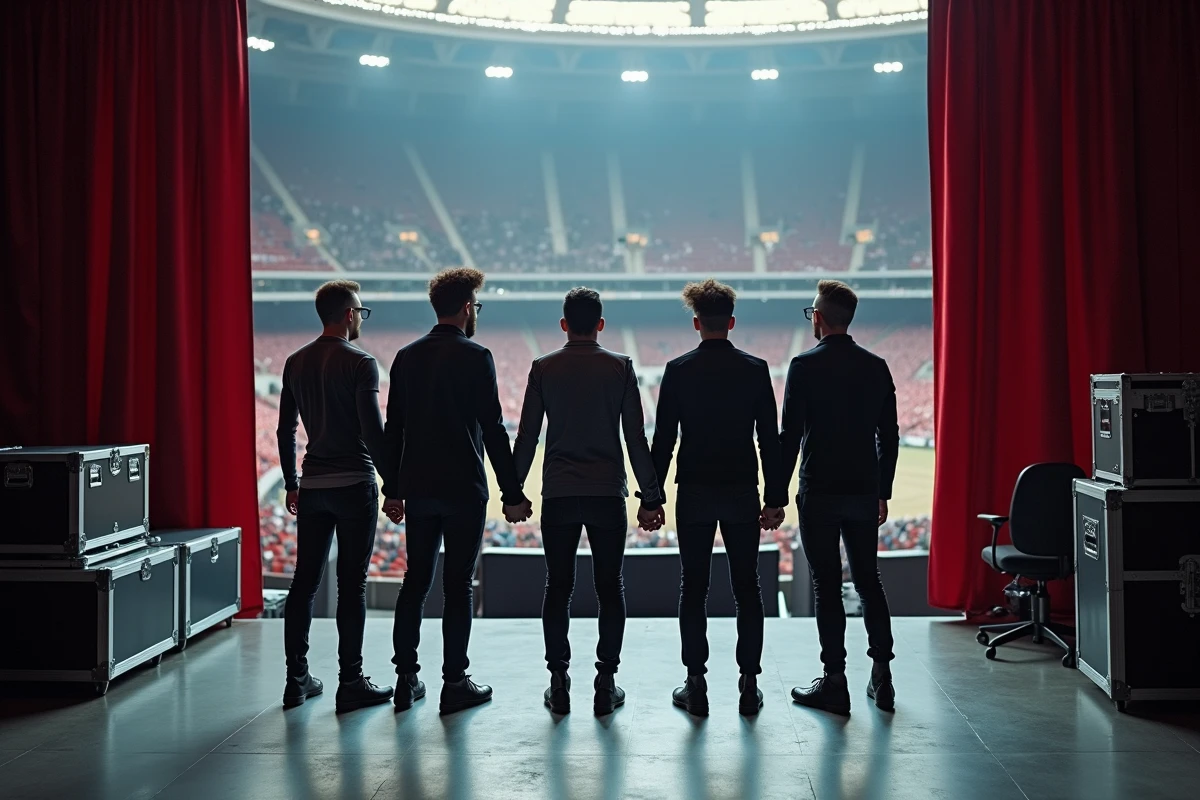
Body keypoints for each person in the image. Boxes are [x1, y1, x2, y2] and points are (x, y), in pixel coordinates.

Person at [381, 268, 532, 715]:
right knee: (458, 587)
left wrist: (393, 488)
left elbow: (395, 430)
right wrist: (512, 492)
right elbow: (492, 428)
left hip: (421, 489)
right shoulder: (477, 355)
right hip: (465, 487)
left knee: (415, 582)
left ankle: (405, 679)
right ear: (468, 308)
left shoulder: (406, 357)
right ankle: (454, 682)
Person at [512, 287, 665, 716]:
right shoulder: (620, 368)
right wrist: (650, 497)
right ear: (600, 324)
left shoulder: (543, 368)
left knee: (556, 588)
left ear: (564, 324)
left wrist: (513, 491)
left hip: (559, 492)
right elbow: (636, 437)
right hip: (606, 493)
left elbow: (527, 437)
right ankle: (605, 681)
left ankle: (558, 681)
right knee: (610, 588)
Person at [649, 280, 787, 717]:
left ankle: (696, 684)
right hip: (742, 489)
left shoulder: (678, 369)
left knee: (694, 588)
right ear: (730, 321)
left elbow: (664, 441)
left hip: (693, 489)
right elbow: (769, 439)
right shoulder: (755, 368)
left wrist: (652, 498)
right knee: (749, 588)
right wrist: (775, 497)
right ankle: (749, 684)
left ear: (696, 323)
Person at [781, 279, 900, 715]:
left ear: (819, 317)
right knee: (869, 582)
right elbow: (889, 435)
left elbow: (789, 437)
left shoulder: (803, 366)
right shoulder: (877, 365)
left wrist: (775, 494)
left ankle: (835, 681)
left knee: (826, 586)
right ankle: (883, 677)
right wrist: (882, 491)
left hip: (820, 490)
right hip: (863, 490)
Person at [277, 280, 395, 713]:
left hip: (313, 486)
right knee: (352, 586)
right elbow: (372, 431)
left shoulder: (295, 362)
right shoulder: (361, 363)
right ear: (348, 315)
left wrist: (292, 481)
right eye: (361, 312)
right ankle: (351, 681)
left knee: (303, 584)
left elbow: (285, 428)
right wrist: (393, 484)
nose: (361, 319)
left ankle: (296, 680)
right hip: (354, 484)